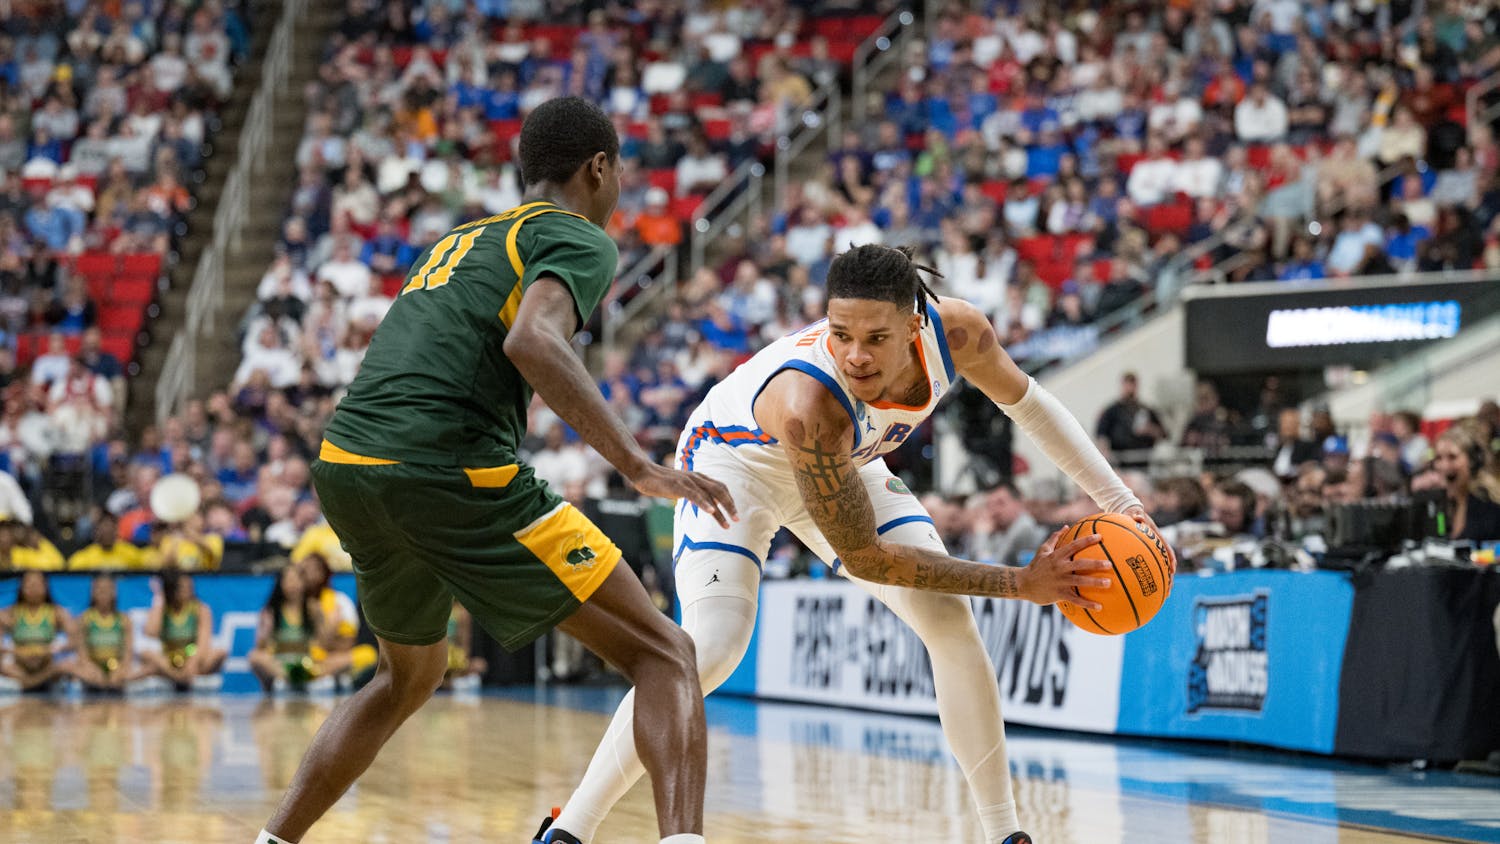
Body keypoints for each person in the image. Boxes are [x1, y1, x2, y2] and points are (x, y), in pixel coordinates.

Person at [545, 244, 1173, 844]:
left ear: (914, 325)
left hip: (848, 463)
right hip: (736, 465)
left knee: (948, 622)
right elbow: (869, 559)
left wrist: (1124, 505)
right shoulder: (810, 402)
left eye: (875, 339)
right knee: (711, 648)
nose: (855, 356)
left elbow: (1031, 408)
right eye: (840, 334)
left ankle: (1003, 831)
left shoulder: (957, 335)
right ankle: (570, 827)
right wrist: (1018, 584)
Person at [255, 97, 735, 844]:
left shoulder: (464, 237)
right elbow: (533, 342)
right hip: (446, 464)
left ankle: (270, 842)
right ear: (599, 167)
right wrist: (637, 465)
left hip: (348, 461)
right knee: (665, 652)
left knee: (405, 677)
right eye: (618, 173)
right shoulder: (577, 235)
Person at [138, 568, 227, 688]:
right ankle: (177, 677)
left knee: (219, 653)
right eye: (181, 587)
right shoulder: (163, 608)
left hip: (192, 656)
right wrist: (160, 598)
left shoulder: (200, 609)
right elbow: (151, 631)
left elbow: (203, 643)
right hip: (169, 658)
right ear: (172, 589)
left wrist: (192, 663)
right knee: (147, 654)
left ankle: (176, 675)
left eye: (189, 587)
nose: (186, 590)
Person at [297, 550, 377, 684]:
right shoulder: (297, 604)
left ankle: (321, 676)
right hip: (312, 656)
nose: (310, 575)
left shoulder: (340, 601)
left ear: (324, 573)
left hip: (337, 656)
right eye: (305, 571)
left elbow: (348, 641)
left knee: (368, 654)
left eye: (315, 569)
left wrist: (323, 621)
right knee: (310, 656)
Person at [247, 565, 329, 693]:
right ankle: (288, 679)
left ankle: (304, 678)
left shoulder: (313, 608)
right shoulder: (271, 611)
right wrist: (265, 631)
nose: (293, 585)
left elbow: (323, 644)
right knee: (254, 657)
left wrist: (321, 620)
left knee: (337, 659)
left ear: (303, 582)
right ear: (280, 584)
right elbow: (260, 646)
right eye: (288, 580)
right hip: (280, 664)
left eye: (296, 580)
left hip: (307, 661)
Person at [0, 570, 74, 690]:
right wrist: (15, 652)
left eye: (37, 584)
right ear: (21, 587)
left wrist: (52, 649)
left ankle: (25, 684)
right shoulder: (9, 612)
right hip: (19, 662)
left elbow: (73, 641)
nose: (33, 588)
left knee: (66, 665)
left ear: (46, 586)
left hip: (46, 662)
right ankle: (38, 682)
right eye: (29, 584)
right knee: (4, 665)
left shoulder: (58, 612)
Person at [67, 573, 133, 692]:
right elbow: (82, 652)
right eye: (99, 589)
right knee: (74, 670)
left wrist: (121, 669)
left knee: (123, 677)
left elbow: (127, 652)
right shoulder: (84, 619)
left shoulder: (124, 619)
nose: (104, 593)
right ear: (92, 592)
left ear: (114, 592)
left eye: (108, 589)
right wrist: (91, 668)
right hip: (92, 667)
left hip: (116, 667)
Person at [1433, 427, 1500, 542]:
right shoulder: (1442, 503)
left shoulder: (1489, 503)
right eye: (1438, 458)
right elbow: (1441, 536)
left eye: (1452, 457)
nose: (1444, 466)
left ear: (1473, 461)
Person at [1094, 371, 1165, 464]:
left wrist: (1150, 429)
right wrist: (1104, 452)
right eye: (1127, 385)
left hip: (1143, 461)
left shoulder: (1147, 410)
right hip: (1119, 461)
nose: (1130, 389)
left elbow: (1163, 434)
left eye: (1133, 385)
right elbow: (1101, 434)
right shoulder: (1112, 411)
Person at [442, 600, 488, 688]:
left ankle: (448, 683)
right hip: (438, 654)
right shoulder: (437, 607)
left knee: (481, 665)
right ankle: (450, 683)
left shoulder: (462, 612)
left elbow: (465, 644)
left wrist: (461, 663)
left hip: (453, 655)